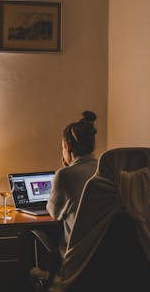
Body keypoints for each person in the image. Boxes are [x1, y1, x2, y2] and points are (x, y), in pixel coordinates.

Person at [46, 110, 98, 257]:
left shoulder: (65, 175)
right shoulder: (105, 169)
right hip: (104, 257)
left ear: (68, 146)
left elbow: (54, 213)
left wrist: (67, 169)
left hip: (75, 257)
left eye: (62, 147)